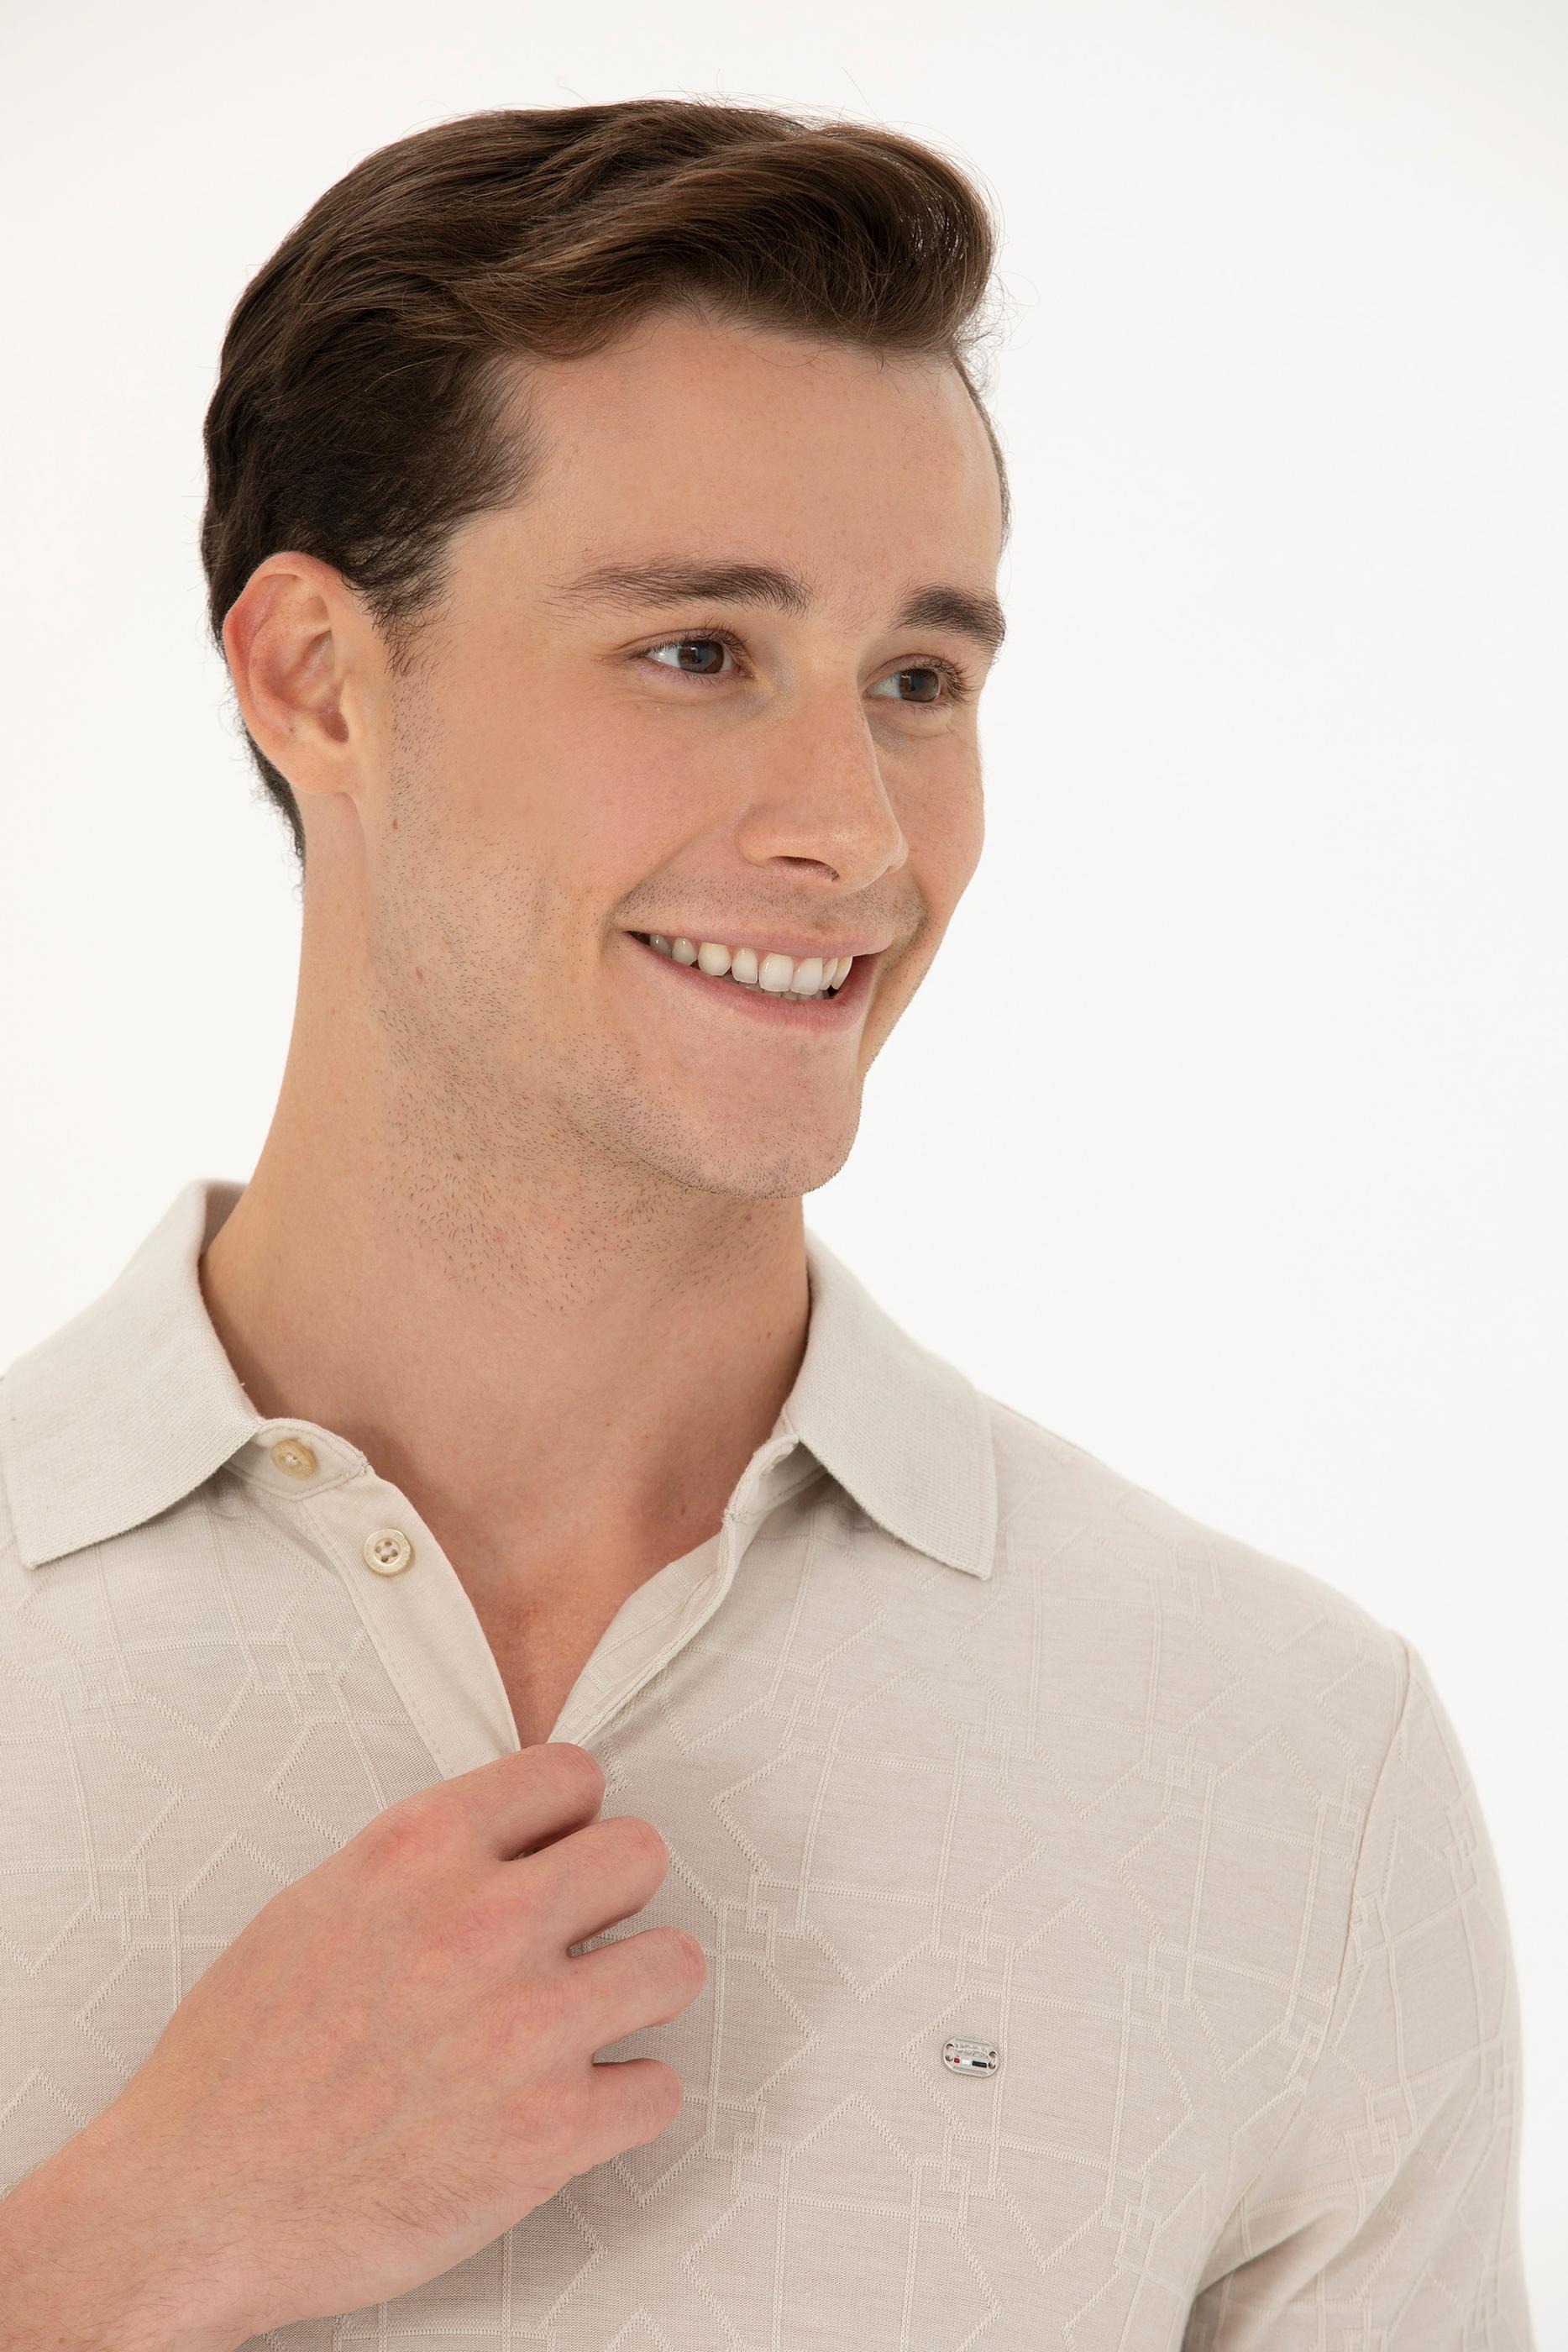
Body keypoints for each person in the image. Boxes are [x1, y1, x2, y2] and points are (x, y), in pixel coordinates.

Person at [0, 98, 1534, 2351]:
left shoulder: (1293, 1767)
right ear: (318, 678)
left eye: (919, 681)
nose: (855, 831)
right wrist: (124, 2253)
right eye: (699, 651)